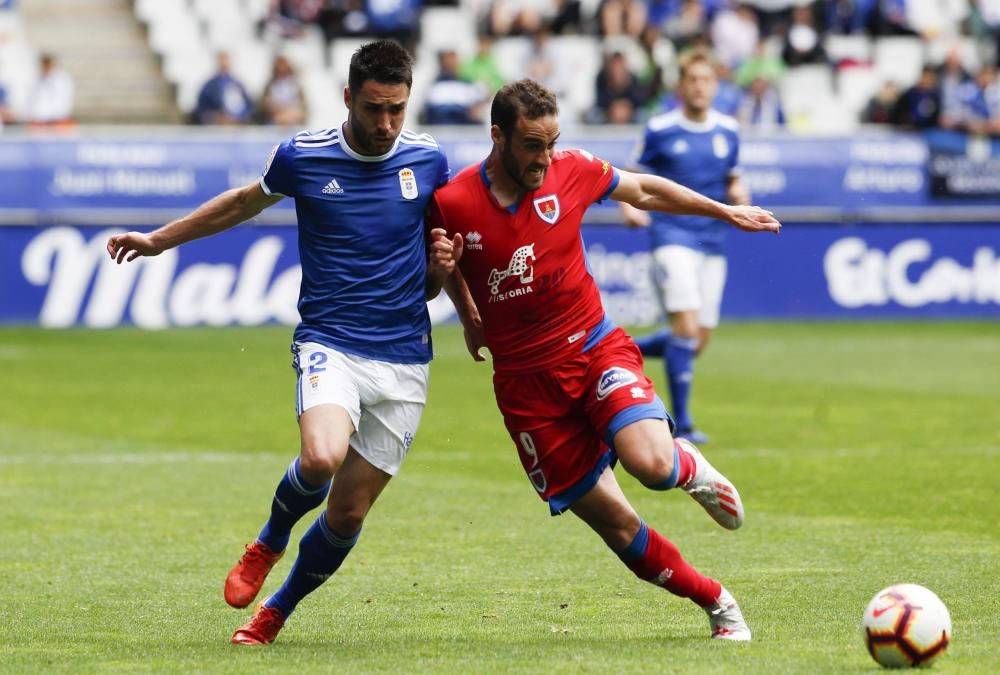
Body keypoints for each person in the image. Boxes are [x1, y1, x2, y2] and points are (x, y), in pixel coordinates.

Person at [106, 40, 455, 646]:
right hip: (332, 342)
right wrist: (160, 240)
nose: (386, 124)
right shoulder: (303, 156)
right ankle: (270, 538)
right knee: (320, 457)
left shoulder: (428, 162)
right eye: (374, 108)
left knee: (346, 514)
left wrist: (444, 273)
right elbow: (243, 201)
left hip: (405, 358)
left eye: (397, 109)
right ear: (347, 98)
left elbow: (430, 283)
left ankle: (276, 611)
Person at [428, 79, 780, 641]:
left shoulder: (572, 169)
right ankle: (716, 601)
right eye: (531, 146)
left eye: (552, 142)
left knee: (651, 466)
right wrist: (467, 310)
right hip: (525, 389)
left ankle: (685, 465)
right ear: (497, 137)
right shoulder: (450, 201)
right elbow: (438, 275)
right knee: (619, 529)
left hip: (592, 348)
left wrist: (724, 212)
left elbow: (641, 190)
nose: (545, 158)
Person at [622, 50, 751, 445]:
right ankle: (684, 425)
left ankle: (619, 353)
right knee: (686, 328)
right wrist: (629, 206)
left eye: (706, 79)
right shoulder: (661, 128)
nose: (699, 86)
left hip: (711, 240)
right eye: (692, 79)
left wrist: (741, 197)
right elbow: (631, 177)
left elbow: (732, 180)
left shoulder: (728, 130)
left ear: (716, 85)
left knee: (696, 340)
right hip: (671, 237)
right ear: (681, 85)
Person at [193, 51, 254, 125]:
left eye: (226, 60)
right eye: (221, 60)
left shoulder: (238, 84)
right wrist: (214, 117)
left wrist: (237, 119)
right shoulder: (208, 86)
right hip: (216, 129)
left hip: (236, 128)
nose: (224, 63)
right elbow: (201, 110)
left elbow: (248, 108)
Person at [26, 53, 74, 124]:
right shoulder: (36, 79)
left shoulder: (63, 80)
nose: (45, 67)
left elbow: (63, 101)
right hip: (39, 120)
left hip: (57, 120)